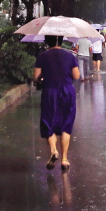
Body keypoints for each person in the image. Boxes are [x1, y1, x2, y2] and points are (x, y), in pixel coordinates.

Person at [33, 35, 80, 170]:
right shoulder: (70, 56)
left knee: (49, 122)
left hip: (49, 92)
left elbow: (36, 77)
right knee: (66, 124)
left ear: (46, 42)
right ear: (60, 41)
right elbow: (76, 76)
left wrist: (43, 76)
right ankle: (64, 160)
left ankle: (54, 151)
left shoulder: (42, 56)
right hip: (67, 92)